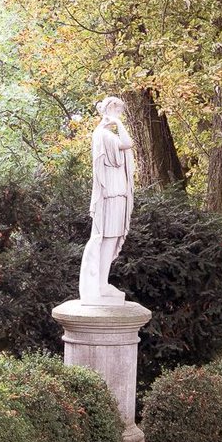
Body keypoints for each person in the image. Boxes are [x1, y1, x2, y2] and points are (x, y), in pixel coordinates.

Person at [78, 96, 135, 305]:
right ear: (111, 110)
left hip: (117, 193)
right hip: (112, 194)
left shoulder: (104, 135)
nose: (120, 115)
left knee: (112, 238)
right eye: (118, 111)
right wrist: (117, 123)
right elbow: (128, 143)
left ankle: (102, 282)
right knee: (108, 238)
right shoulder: (104, 135)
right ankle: (99, 283)